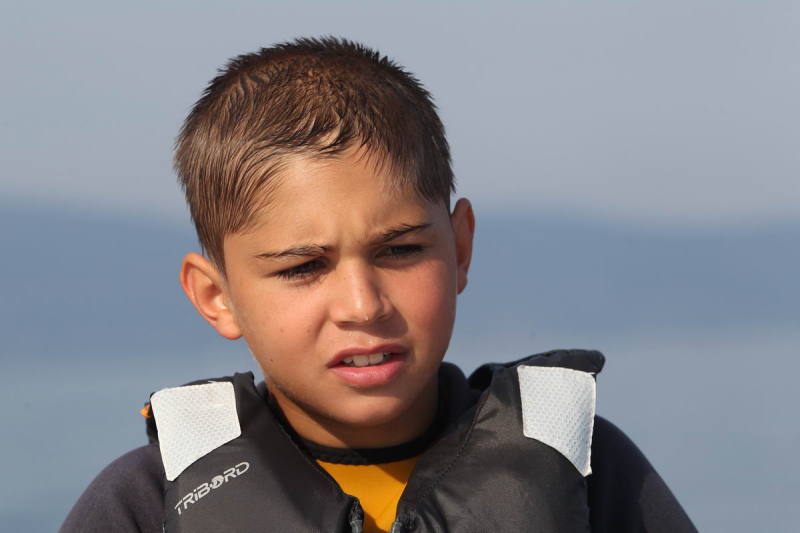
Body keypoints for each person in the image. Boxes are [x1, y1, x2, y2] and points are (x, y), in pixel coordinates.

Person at [61, 37, 696, 533]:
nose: (363, 306)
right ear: (215, 297)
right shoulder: (146, 504)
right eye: (303, 268)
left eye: (400, 251)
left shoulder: (583, 470)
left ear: (460, 248)